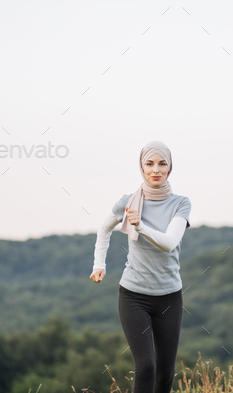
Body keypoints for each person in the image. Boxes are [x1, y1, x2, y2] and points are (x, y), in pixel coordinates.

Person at [89, 140, 191, 393]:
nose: (155, 169)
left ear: (169, 168)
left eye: (162, 163)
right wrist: (99, 264)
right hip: (134, 296)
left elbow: (168, 243)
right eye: (150, 164)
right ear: (142, 168)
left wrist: (140, 227)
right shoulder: (128, 202)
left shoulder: (181, 203)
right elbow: (104, 228)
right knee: (146, 367)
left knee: (165, 374)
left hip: (169, 297)